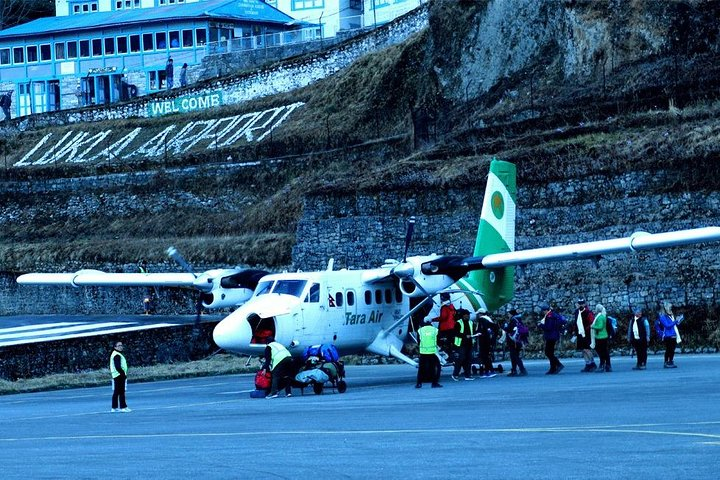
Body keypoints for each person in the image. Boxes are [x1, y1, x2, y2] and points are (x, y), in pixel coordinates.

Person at [537, 303, 567, 374]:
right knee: (550, 352)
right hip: (553, 335)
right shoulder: (553, 315)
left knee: (548, 352)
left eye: (543, 310)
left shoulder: (550, 316)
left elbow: (548, 327)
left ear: (546, 310)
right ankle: (553, 368)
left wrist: (540, 325)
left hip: (551, 336)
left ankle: (558, 364)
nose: (542, 312)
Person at [570, 298, 596, 372]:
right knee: (583, 350)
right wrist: (574, 331)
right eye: (579, 303)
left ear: (585, 304)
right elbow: (575, 322)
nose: (581, 305)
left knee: (587, 349)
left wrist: (586, 329)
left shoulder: (588, 312)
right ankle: (587, 364)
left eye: (582, 303)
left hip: (586, 333)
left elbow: (592, 322)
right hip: (579, 333)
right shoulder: (577, 312)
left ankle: (592, 363)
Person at [416, 318, 442, 388]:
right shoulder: (435, 330)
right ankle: (434, 383)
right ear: (431, 322)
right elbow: (439, 340)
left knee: (421, 368)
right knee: (435, 367)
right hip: (432, 352)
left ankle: (419, 383)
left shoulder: (420, 330)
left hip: (423, 352)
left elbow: (418, 341)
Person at [451, 309, 475, 381]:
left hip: (469, 344)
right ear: (463, 315)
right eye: (467, 315)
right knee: (460, 359)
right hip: (460, 344)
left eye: (469, 315)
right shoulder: (458, 323)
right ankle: (455, 374)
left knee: (468, 360)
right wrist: (465, 336)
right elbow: (455, 333)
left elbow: (473, 331)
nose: (468, 316)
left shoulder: (471, 322)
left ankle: (467, 375)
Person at [503, 309, 528, 376]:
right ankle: (514, 370)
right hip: (518, 341)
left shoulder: (513, 321)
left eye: (509, 314)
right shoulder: (518, 320)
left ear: (512, 314)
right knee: (514, 355)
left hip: (513, 341)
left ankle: (522, 369)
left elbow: (509, 330)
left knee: (514, 356)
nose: (508, 315)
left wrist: (504, 327)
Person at [658, 301, 682, 368]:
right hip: (667, 336)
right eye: (670, 308)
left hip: (673, 335)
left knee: (672, 350)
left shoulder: (671, 315)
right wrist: (676, 321)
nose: (671, 309)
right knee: (668, 349)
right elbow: (667, 326)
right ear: (666, 308)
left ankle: (671, 361)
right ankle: (666, 362)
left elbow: (674, 324)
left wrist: (678, 320)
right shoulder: (662, 317)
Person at [475, 309, 498, 378]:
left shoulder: (482, 320)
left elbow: (481, 330)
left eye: (478, 314)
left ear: (480, 314)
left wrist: (477, 334)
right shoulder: (489, 320)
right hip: (490, 341)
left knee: (484, 356)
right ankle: (491, 370)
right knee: (488, 356)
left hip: (484, 341)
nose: (477, 315)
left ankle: (488, 371)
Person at [110, 341, 131, 412]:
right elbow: (118, 366)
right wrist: (123, 374)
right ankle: (123, 407)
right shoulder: (117, 355)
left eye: (121, 345)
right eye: (118, 346)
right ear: (115, 347)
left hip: (116, 375)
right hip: (119, 375)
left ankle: (114, 407)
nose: (121, 347)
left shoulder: (116, 354)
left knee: (117, 391)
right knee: (121, 391)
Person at [434, 292, 456, 359]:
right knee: (450, 342)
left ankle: (445, 353)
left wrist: (433, 319)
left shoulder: (444, 307)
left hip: (445, 327)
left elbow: (443, 317)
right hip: (452, 326)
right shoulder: (452, 306)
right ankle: (451, 355)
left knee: (438, 339)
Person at [591, 303, 612, 372]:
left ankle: (602, 364)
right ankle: (607, 365)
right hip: (603, 336)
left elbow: (600, 327)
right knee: (604, 351)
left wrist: (592, 326)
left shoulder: (600, 317)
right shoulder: (603, 316)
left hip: (601, 337)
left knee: (601, 351)